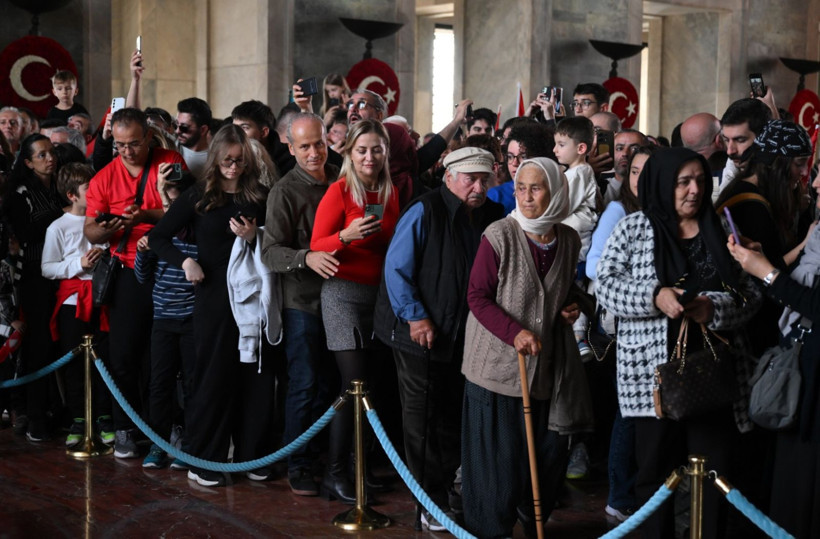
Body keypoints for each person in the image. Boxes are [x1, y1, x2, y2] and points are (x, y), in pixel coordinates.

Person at [596, 148, 760, 538]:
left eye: (700, 181)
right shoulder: (634, 228)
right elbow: (606, 284)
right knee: (654, 476)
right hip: (653, 379)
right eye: (683, 182)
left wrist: (712, 308)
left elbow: (750, 294)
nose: (694, 190)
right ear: (662, 184)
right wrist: (654, 295)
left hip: (713, 375)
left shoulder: (720, 228)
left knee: (716, 475)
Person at [461, 157, 592, 538]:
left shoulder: (565, 239)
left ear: (555, 192)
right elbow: (477, 296)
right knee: (496, 463)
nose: (527, 196)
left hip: (544, 365)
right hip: (496, 368)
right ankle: (490, 530)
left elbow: (560, 290)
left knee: (545, 454)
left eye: (537, 188)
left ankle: (529, 518)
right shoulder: (499, 234)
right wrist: (514, 332)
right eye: (521, 187)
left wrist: (571, 306)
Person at [374, 147, 504, 530]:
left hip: (464, 334)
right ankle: (428, 501)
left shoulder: (493, 215)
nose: (478, 187)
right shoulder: (425, 209)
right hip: (417, 332)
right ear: (449, 177)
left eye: (485, 179)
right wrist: (416, 317)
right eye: (470, 179)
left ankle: (450, 491)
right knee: (423, 418)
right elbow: (396, 270)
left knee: (451, 414)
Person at [149, 124, 270, 487]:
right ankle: (206, 459)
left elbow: (279, 240)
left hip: (253, 298)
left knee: (256, 377)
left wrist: (255, 236)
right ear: (215, 158)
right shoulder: (198, 196)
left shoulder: (260, 196)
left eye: (240, 161)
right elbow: (157, 237)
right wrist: (186, 263)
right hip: (214, 298)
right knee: (213, 378)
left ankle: (253, 455)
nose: (233, 167)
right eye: (227, 160)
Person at [84, 107, 187, 459]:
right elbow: (91, 230)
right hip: (127, 270)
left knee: (165, 359)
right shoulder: (103, 178)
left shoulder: (170, 160)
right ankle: (126, 427)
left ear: (148, 138)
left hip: (167, 271)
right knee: (123, 354)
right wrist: (112, 227)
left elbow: (185, 208)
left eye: (134, 144)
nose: (127, 151)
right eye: (120, 145)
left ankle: (167, 427)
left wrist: (144, 216)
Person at [310, 119, 399, 503]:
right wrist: (345, 236)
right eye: (362, 149)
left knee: (371, 389)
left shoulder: (392, 191)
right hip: (342, 294)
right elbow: (317, 243)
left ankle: (360, 468)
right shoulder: (340, 189)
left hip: (378, 297)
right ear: (350, 152)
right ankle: (334, 474)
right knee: (352, 388)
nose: (369, 156)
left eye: (376, 149)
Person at [727, 188, 820, 538]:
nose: (815, 185)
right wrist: (762, 261)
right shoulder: (818, 233)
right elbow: (796, 290)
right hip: (800, 370)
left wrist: (768, 273)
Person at [261, 112, 340, 496]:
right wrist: (306, 257)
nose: (314, 153)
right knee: (305, 384)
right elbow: (270, 252)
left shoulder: (342, 177)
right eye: (304, 146)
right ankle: (299, 462)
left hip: (343, 300)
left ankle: (329, 458)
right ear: (289, 148)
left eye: (319, 143)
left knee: (332, 384)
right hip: (302, 302)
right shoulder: (285, 190)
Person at [585, 144, 656, 522]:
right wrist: (646, 291)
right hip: (624, 326)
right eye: (634, 171)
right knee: (627, 414)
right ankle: (620, 494)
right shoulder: (620, 211)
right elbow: (596, 266)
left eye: (648, 170)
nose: (640, 179)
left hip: (654, 332)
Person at [40, 163, 111, 448]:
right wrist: (78, 264)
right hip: (73, 301)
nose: (94, 192)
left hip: (102, 298)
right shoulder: (57, 227)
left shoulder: (100, 220)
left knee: (104, 359)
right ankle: (79, 418)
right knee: (73, 362)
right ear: (72, 195)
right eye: (88, 189)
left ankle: (106, 416)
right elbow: (47, 267)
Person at [3, 135, 65, 442]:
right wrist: (63, 215)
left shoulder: (60, 184)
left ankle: (60, 410)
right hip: (34, 275)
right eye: (41, 155)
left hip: (64, 273)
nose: (49, 158)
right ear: (28, 162)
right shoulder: (19, 192)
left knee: (62, 345)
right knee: (38, 346)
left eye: (51, 152)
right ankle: (33, 413)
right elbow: (25, 232)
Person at [134, 171, 197, 471]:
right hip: (163, 319)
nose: (171, 210)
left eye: (177, 203)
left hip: (191, 321)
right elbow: (142, 279)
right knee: (159, 385)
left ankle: (190, 447)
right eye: (168, 203)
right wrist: (143, 254)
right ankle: (158, 445)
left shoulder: (199, 237)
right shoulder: (159, 236)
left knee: (193, 385)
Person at [487, 121, 555, 214]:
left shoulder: (557, 191)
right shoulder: (495, 196)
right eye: (510, 157)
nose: (514, 163)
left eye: (523, 157)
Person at [175, 98, 212, 179]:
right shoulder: (171, 148)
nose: (177, 131)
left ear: (203, 130)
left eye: (184, 128)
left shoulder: (217, 158)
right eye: (176, 125)